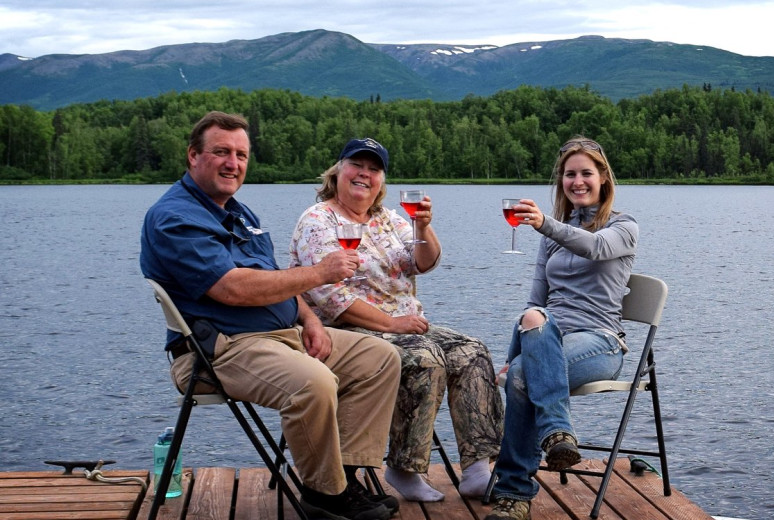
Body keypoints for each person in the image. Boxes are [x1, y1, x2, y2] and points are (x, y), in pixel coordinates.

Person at [140, 112, 402, 520]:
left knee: (381, 358)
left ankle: (340, 479)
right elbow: (232, 288)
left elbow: (277, 280)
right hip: (220, 349)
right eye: (221, 152)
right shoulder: (175, 218)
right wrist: (320, 272)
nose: (233, 163)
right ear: (193, 156)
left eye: (241, 154)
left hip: (282, 334)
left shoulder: (241, 213)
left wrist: (310, 320)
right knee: (313, 383)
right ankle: (324, 496)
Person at [289, 137, 505, 502]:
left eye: (374, 169)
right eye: (357, 165)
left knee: (472, 351)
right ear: (337, 171)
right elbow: (330, 296)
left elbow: (424, 262)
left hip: (406, 325)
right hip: (345, 330)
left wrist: (422, 227)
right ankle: (404, 468)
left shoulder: (388, 219)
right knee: (424, 357)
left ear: (382, 180)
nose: (365, 174)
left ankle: (476, 469)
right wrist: (392, 325)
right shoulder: (318, 220)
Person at [485, 136, 638, 520]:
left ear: (603, 177)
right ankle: (558, 435)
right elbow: (534, 302)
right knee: (525, 355)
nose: (578, 181)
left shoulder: (623, 226)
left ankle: (514, 494)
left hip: (599, 343)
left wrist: (546, 225)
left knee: (524, 374)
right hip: (548, 341)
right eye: (570, 174)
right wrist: (511, 356)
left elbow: (596, 248)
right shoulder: (553, 234)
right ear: (562, 182)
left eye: (586, 172)